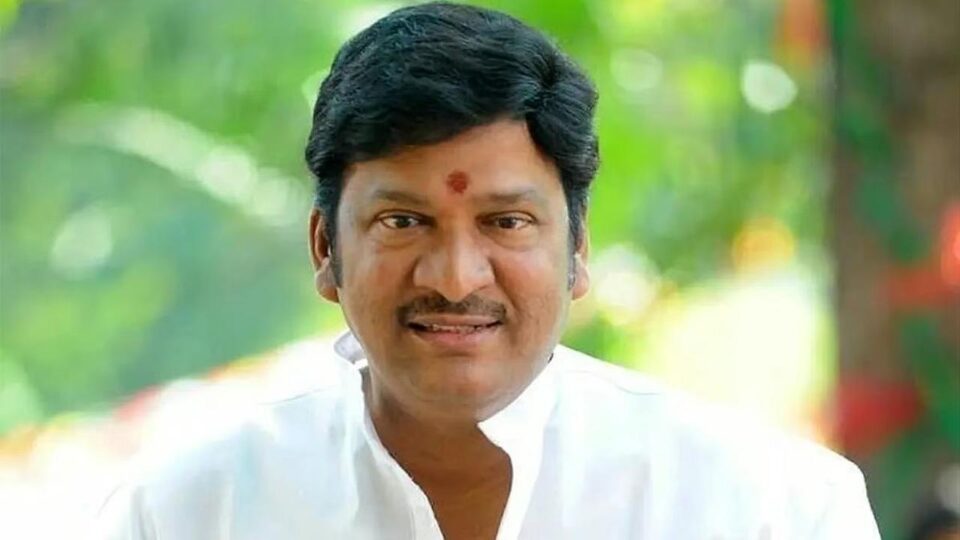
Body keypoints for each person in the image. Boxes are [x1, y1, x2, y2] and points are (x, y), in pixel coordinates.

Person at [98, 2, 881, 539]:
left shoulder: (772, 509)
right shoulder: (188, 512)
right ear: (325, 249)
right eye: (403, 222)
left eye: (505, 223)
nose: (457, 279)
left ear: (577, 250)